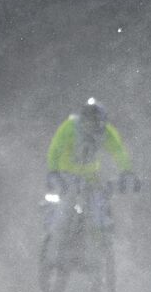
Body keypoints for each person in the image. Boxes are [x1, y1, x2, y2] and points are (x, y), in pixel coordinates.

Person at [46, 97, 137, 231]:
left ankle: (103, 243)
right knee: (62, 213)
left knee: (99, 214)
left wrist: (126, 171)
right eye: (88, 121)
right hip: (66, 176)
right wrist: (53, 171)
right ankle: (53, 237)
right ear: (82, 119)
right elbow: (55, 148)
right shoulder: (70, 127)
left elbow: (119, 151)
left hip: (90, 178)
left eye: (95, 122)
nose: (91, 125)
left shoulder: (106, 132)